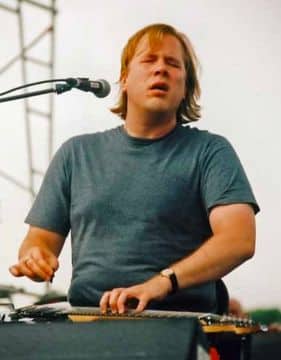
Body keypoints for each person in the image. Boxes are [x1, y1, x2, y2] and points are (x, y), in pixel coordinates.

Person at [9, 23, 259, 315]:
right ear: (124, 80)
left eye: (173, 63)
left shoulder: (210, 151)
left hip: (179, 325)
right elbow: (39, 241)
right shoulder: (75, 153)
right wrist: (34, 257)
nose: (161, 69)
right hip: (86, 322)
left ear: (185, 88)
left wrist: (162, 282)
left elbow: (239, 239)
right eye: (149, 59)